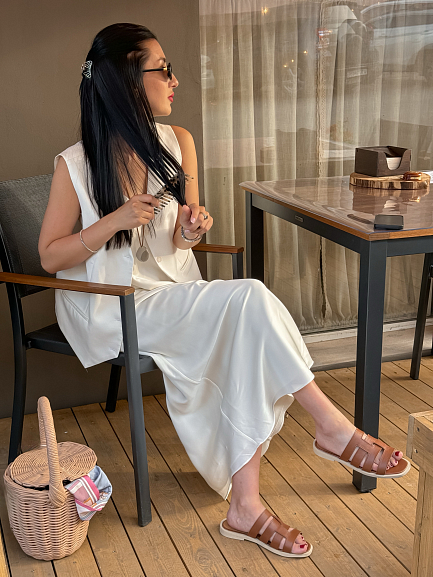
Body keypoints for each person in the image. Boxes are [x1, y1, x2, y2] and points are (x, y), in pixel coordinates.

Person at [38, 23, 410, 559]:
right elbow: (51, 257)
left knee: (244, 323)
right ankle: (328, 430)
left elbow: (178, 236)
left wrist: (192, 229)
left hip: (172, 291)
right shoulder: (74, 164)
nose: (175, 80)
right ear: (127, 81)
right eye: (163, 69)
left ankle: (247, 505)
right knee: (248, 300)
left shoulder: (177, 143)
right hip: (108, 303)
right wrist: (112, 221)